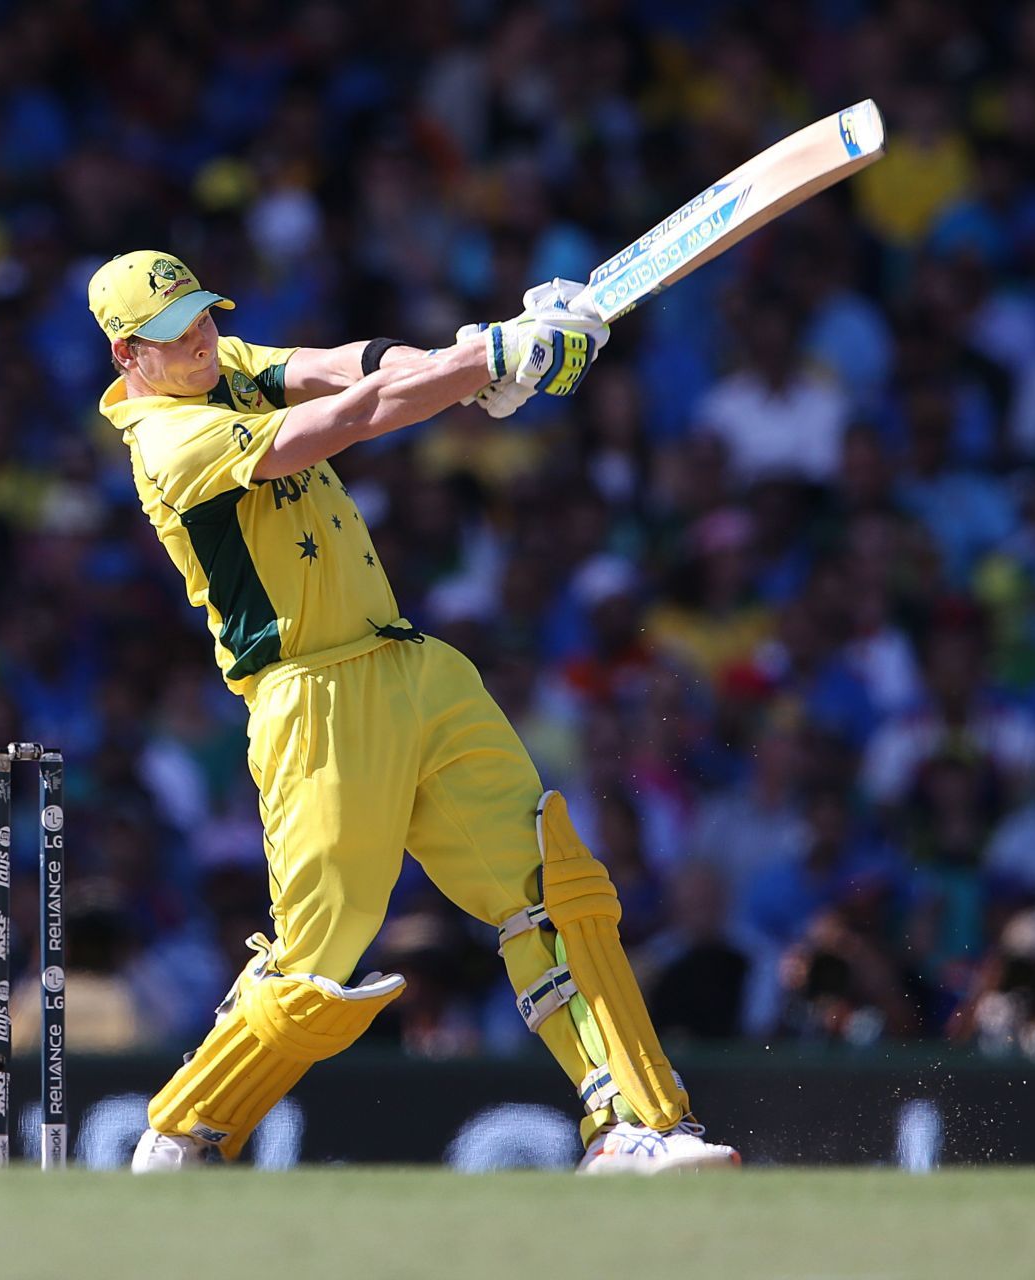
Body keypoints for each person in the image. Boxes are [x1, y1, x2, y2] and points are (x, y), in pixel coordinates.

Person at [88, 249, 738, 1174]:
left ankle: (635, 1125)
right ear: (128, 356)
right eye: (170, 336)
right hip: (311, 694)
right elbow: (351, 419)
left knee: (554, 889)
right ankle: (186, 1130)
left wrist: (470, 363)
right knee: (320, 954)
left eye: (198, 317)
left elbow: (346, 364)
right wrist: (487, 362)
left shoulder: (220, 360)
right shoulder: (166, 441)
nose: (197, 341)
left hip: (413, 664)